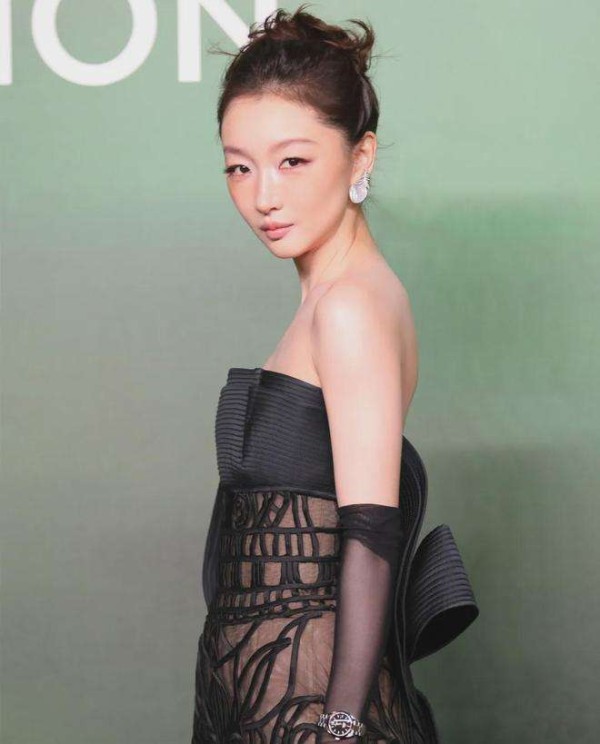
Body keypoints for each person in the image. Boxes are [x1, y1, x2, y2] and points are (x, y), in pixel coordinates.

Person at [191, 5, 479, 742]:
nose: (263, 196)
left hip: (311, 711)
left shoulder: (350, 306)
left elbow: (373, 534)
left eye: (293, 161)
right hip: (264, 703)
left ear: (360, 157)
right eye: (239, 166)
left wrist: (341, 726)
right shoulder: (332, 298)